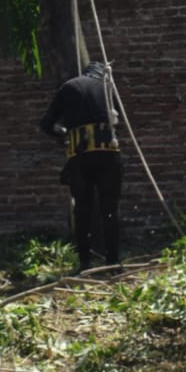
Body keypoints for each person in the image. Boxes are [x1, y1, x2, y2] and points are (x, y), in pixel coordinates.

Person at [38, 61, 123, 271]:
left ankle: (84, 263)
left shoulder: (69, 86)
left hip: (80, 156)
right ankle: (113, 262)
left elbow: (46, 124)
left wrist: (64, 133)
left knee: (82, 210)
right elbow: (117, 121)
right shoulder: (107, 88)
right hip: (108, 153)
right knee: (110, 209)